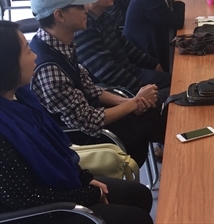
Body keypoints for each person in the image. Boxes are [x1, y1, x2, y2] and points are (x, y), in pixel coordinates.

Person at [0, 20, 153, 224]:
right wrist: (87, 195)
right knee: (136, 218)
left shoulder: (22, 97)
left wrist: (85, 179)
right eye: (27, 51)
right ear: (8, 63)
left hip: (59, 185)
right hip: (37, 213)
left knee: (139, 195)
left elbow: (58, 152)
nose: (34, 55)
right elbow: (23, 198)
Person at [28, 0, 165, 167]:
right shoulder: (48, 67)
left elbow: (91, 89)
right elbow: (88, 121)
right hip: (87, 139)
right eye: (79, 6)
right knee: (164, 112)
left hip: (97, 120)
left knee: (162, 106)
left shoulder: (60, 44)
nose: (86, 9)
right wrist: (133, 104)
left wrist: (132, 101)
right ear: (59, 15)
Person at [72, 0, 171, 103]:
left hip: (132, 73)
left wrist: (154, 64)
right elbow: (108, 73)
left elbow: (126, 46)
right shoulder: (82, 29)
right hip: (118, 91)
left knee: (176, 81)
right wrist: (142, 90)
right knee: (175, 91)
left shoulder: (105, 17)